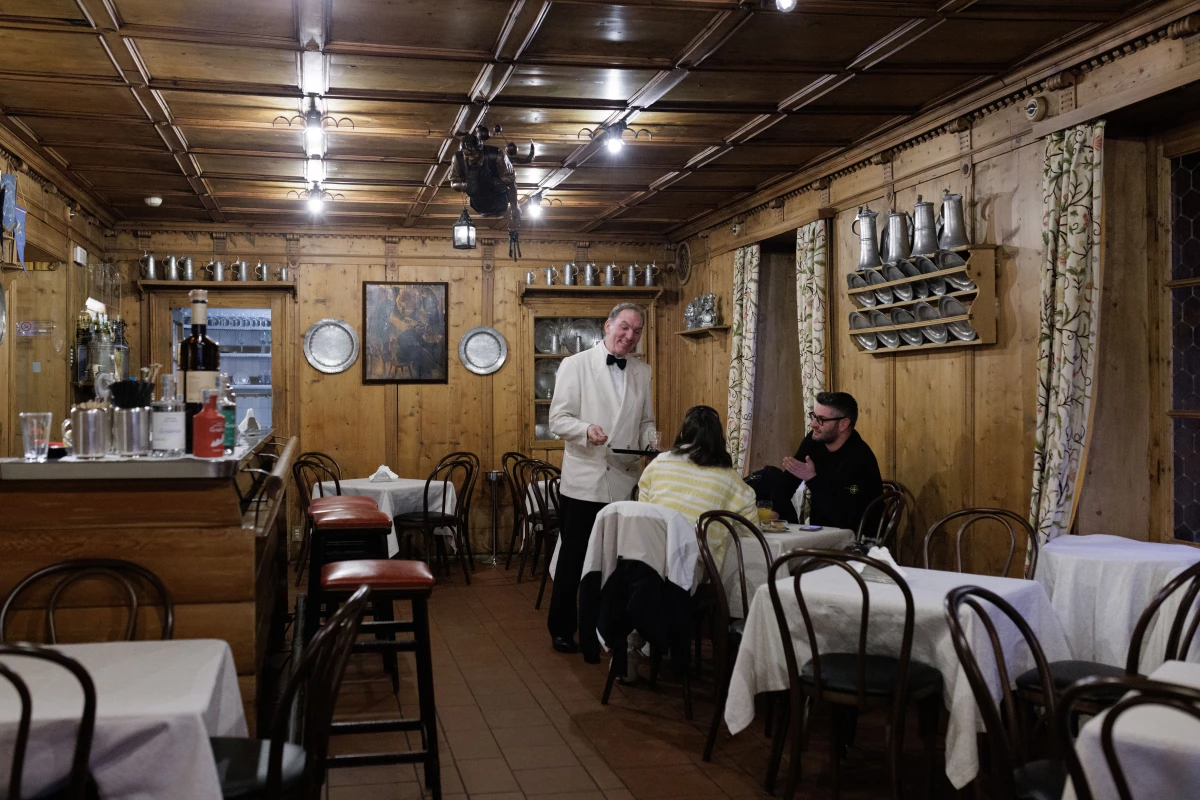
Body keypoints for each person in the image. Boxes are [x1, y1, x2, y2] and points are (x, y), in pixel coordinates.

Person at [547, 302, 657, 654]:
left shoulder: (643, 371)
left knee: (614, 560)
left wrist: (650, 441)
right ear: (608, 326)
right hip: (585, 479)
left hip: (623, 479)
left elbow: (645, 422)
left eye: (637, 331)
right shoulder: (575, 364)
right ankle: (562, 628)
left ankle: (603, 626)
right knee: (574, 558)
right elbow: (558, 420)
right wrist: (585, 429)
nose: (630, 336)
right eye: (624, 327)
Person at [637, 405, 757, 530]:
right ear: (719, 439)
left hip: (657, 546)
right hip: (703, 549)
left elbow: (643, 514)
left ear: (682, 434)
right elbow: (751, 535)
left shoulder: (657, 465)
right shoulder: (731, 480)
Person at [776, 391, 882, 532]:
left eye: (822, 419)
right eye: (814, 417)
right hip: (820, 532)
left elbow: (846, 519)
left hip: (855, 538)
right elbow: (788, 482)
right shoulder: (814, 441)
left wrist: (812, 479)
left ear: (843, 424)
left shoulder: (859, 458)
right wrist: (773, 512)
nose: (813, 424)